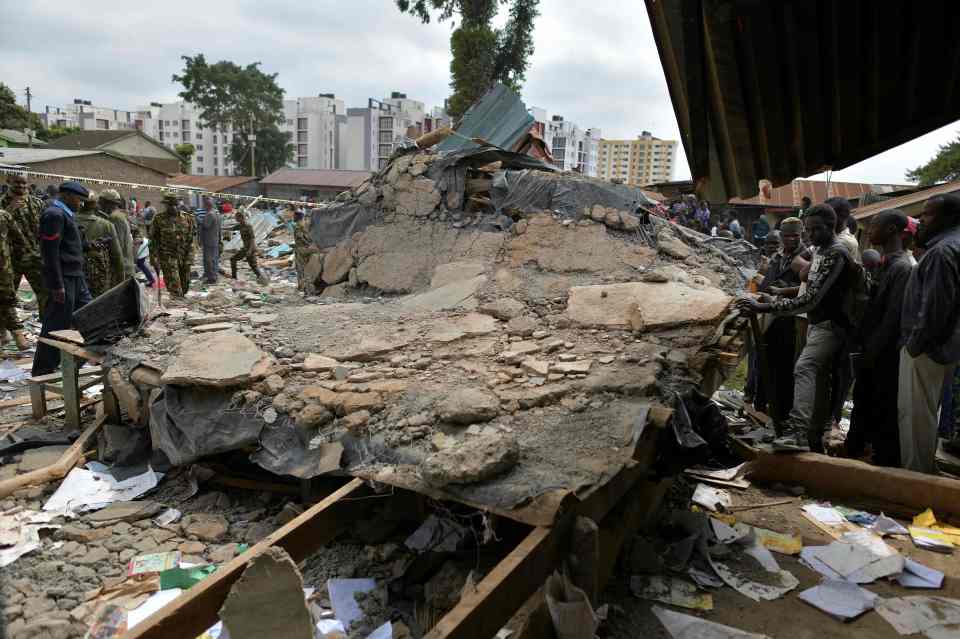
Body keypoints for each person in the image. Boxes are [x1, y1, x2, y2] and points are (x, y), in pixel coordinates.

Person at [737, 204, 860, 452]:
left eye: (816, 230)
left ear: (831, 227)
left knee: (804, 368)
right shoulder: (821, 250)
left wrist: (769, 307)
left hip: (832, 325)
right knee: (819, 379)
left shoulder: (836, 252)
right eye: (808, 230)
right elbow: (805, 282)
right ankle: (812, 436)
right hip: (817, 322)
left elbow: (811, 298)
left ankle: (797, 432)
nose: (810, 236)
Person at [845, 210, 913, 466]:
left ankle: (883, 460)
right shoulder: (885, 263)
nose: (869, 231)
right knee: (863, 400)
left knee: (882, 404)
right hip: (870, 347)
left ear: (892, 230)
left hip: (883, 353)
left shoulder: (902, 268)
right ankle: (855, 448)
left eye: (874, 226)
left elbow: (892, 318)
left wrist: (872, 351)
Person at [899, 195, 960, 473]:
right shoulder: (952, 246)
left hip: (927, 348)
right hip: (948, 345)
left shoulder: (941, 252)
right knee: (927, 411)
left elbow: (935, 308)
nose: (921, 221)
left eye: (928, 215)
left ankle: (916, 476)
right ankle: (925, 471)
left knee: (916, 414)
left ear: (948, 217)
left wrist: (915, 345)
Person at [32, 182, 93, 376]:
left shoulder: (65, 214)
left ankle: (76, 360)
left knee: (90, 314)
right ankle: (43, 370)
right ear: (66, 195)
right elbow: (50, 254)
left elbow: (71, 246)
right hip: (64, 278)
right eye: (79, 200)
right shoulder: (54, 215)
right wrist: (57, 285)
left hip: (75, 276)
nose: (81, 204)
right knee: (56, 323)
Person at [1, 174, 48, 318]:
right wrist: (9, 210)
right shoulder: (2, 204)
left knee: (45, 294)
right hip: (10, 259)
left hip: (34, 256)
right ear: (9, 182)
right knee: (6, 297)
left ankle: (46, 329)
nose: (21, 186)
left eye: (24, 183)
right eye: (17, 183)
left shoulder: (37, 203)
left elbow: (45, 229)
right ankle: (5, 332)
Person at [76, 191, 124, 297]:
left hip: (74, 274)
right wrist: (121, 281)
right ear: (95, 204)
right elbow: (117, 256)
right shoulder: (106, 225)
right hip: (98, 278)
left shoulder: (69, 220)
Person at [149, 193, 196, 298]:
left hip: (184, 256)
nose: (173, 207)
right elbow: (153, 240)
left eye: (175, 204)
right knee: (174, 284)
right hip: (168, 256)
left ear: (179, 204)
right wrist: (154, 258)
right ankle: (177, 300)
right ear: (166, 205)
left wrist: (190, 257)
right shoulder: (159, 219)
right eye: (170, 205)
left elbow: (191, 239)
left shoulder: (188, 218)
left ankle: (181, 302)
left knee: (185, 285)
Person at [0, 207, 29, 351]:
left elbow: (19, 240)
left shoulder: (3, 215)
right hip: (3, 267)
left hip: (3, 268)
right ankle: (12, 334)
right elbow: (20, 241)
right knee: (5, 299)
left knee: (6, 300)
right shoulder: (3, 215)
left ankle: (16, 333)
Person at [98, 190, 135, 279]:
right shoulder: (117, 216)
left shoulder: (115, 218)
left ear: (107, 203)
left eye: (101, 202)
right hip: (123, 266)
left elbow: (118, 246)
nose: (99, 205)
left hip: (122, 268)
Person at [231, 210, 263, 281]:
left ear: (241, 217)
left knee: (253, 266)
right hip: (245, 248)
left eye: (236, 218)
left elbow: (252, 239)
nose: (235, 219)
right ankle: (234, 278)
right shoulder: (240, 225)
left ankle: (262, 279)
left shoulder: (248, 226)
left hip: (250, 248)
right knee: (233, 259)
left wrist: (250, 250)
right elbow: (231, 228)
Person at [199, 196, 222, 284]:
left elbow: (206, 225)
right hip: (214, 239)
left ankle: (211, 277)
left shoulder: (210, 214)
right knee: (214, 258)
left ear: (207, 205)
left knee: (209, 259)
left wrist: (199, 221)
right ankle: (212, 274)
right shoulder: (216, 214)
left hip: (209, 240)